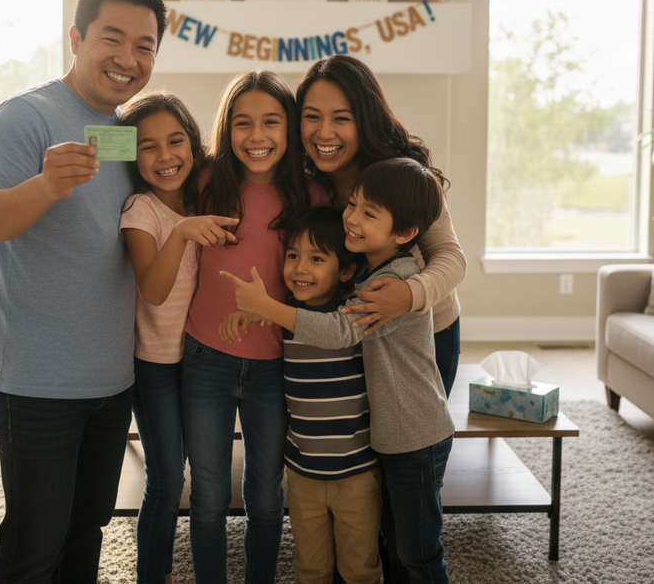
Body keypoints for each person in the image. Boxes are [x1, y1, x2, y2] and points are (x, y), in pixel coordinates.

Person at [0, 0, 166, 584]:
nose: (128, 59)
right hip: (36, 383)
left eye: (145, 46)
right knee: (35, 546)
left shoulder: (121, 132)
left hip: (110, 379)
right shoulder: (25, 117)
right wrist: (45, 186)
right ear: (76, 38)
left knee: (86, 533)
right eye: (113, 38)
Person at [224, 158, 456, 584]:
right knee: (388, 541)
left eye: (369, 213)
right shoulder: (370, 272)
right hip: (388, 437)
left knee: (418, 550)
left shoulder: (391, 283)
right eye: (353, 204)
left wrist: (267, 307)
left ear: (403, 234)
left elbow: (339, 330)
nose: (352, 217)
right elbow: (322, 310)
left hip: (415, 435)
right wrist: (266, 316)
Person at [181, 70, 320, 583]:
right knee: (209, 496)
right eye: (243, 124)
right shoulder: (203, 184)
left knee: (266, 497)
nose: (256, 137)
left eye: (270, 122)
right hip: (205, 360)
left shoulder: (311, 197)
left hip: (277, 368)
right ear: (226, 127)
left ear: (290, 130)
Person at [117, 93, 240, 584]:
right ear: (133, 156)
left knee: (205, 474)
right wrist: (183, 232)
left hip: (202, 359)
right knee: (167, 478)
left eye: (176, 141)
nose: (165, 156)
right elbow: (153, 288)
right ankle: (155, 574)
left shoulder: (205, 198)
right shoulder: (139, 210)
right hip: (154, 365)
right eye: (149, 147)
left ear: (194, 144)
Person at [221, 206, 380, 583]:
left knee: (359, 569)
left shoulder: (352, 312)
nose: (300, 268)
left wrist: (266, 309)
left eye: (316, 258)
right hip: (304, 474)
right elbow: (276, 317)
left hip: (355, 475)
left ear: (344, 270)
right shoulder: (287, 312)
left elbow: (327, 329)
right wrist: (246, 314)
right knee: (310, 567)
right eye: (293, 256)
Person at [295, 54, 467, 398]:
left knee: (417, 444)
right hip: (354, 331)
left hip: (425, 330)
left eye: (341, 118)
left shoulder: (403, 178)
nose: (323, 132)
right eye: (311, 117)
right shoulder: (306, 185)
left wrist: (408, 295)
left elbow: (451, 257)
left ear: (366, 121)